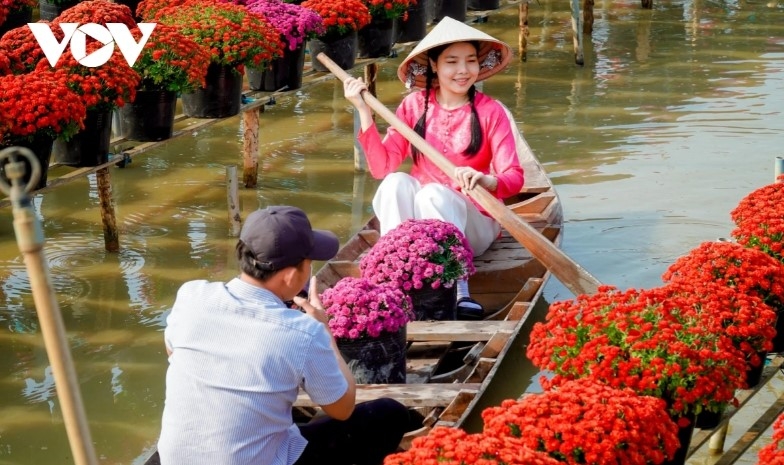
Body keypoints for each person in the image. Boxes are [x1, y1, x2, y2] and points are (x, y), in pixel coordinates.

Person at [157, 206, 410, 465]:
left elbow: (172, 351)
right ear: (291, 276)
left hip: (176, 458)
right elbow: (342, 408)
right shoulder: (302, 331)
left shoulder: (192, 295)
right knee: (388, 414)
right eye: (309, 263)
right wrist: (324, 331)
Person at [343, 17, 525, 320]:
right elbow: (382, 167)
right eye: (452, 61)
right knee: (395, 183)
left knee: (434, 196)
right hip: (420, 227)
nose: (463, 70)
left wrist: (485, 179)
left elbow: (514, 179)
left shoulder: (491, 111)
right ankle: (394, 281)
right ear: (435, 67)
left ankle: (459, 291)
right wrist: (364, 111)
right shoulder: (413, 106)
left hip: (474, 224)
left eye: (470, 61)